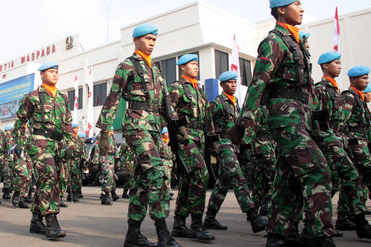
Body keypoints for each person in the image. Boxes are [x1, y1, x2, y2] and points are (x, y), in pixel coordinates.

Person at [231, 0, 336, 246]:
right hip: (285, 118)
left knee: (288, 180)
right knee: (317, 171)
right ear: (281, 10)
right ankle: (317, 234)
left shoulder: (294, 41)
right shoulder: (275, 41)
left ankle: (278, 235)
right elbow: (259, 81)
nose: (301, 9)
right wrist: (244, 122)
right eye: (296, 4)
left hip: (299, 117)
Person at [96, 23, 181, 247]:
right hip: (135, 124)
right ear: (135, 40)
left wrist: (174, 129)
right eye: (147, 38)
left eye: (154, 39)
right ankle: (163, 233)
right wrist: (105, 131)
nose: (151, 43)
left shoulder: (157, 68)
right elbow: (113, 97)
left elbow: (164, 104)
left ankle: (132, 234)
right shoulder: (127, 66)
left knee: (142, 181)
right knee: (158, 172)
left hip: (153, 127)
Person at [312, 53, 371, 239]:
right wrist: (326, 141)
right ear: (325, 66)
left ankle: (345, 221)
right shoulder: (321, 89)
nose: (340, 66)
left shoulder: (335, 90)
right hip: (329, 141)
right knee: (343, 179)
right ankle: (317, 225)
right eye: (336, 63)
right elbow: (319, 118)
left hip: (338, 142)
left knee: (343, 181)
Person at [14, 61, 75, 239]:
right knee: (50, 177)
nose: (55, 74)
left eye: (56, 72)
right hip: (39, 142)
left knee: (45, 182)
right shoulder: (32, 96)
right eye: (50, 72)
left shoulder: (63, 97)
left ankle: (35, 220)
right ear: (41, 75)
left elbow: (67, 123)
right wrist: (19, 142)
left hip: (57, 144)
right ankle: (51, 221)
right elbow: (20, 120)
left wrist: (70, 144)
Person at [204, 71, 265, 233]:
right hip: (223, 145)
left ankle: (210, 217)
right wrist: (214, 145)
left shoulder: (236, 102)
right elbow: (208, 123)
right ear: (222, 85)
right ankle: (253, 216)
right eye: (229, 82)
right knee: (238, 177)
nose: (233, 85)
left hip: (236, 145)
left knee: (223, 183)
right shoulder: (217, 102)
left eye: (234, 82)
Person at [167, 53, 215, 242]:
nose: (196, 67)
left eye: (197, 64)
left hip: (200, 138)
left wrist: (212, 143)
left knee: (189, 180)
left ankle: (179, 224)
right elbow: (169, 113)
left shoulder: (200, 90)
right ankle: (196, 224)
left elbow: (207, 118)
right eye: (192, 64)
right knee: (200, 175)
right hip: (185, 138)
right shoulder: (177, 88)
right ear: (182, 67)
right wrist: (177, 134)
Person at [335, 66, 371, 231]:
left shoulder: (359, 99)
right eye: (364, 78)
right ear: (353, 80)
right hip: (354, 147)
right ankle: (360, 218)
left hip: (362, 146)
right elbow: (340, 124)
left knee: (358, 182)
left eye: (367, 78)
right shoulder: (348, 97)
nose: (367, 81)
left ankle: (358, 217)